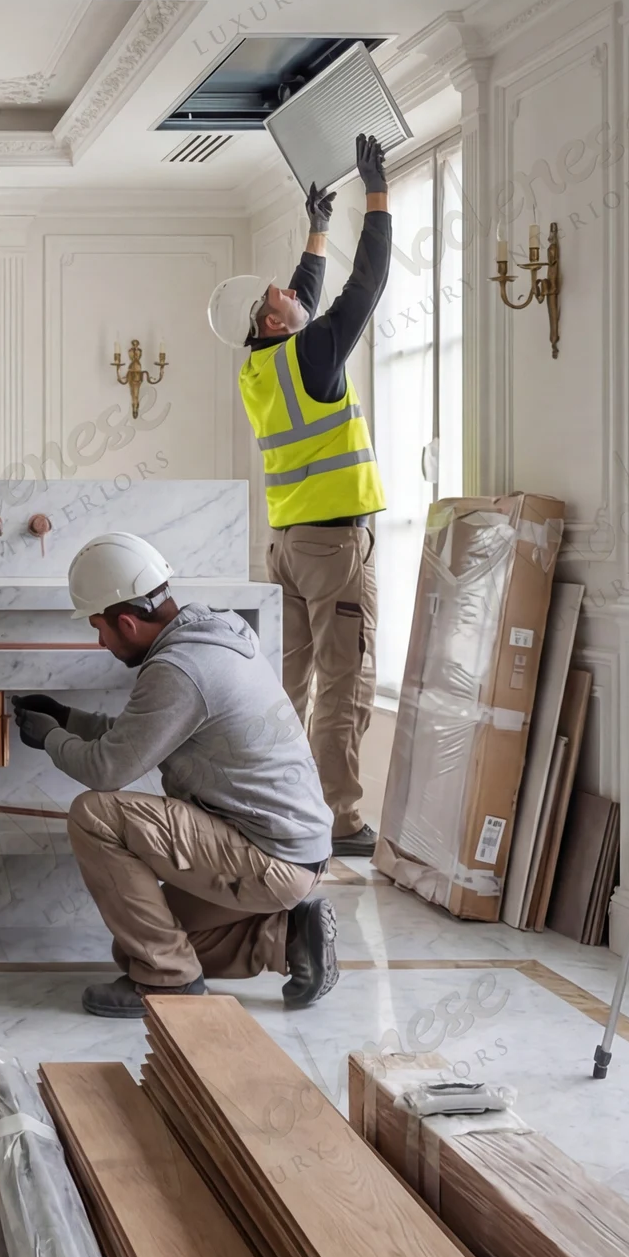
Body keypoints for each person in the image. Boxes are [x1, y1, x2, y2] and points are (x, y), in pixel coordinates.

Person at [15, 531, 339, 1019]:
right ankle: (287, 938)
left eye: (99, 628)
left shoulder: (179, 669)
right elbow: (142, 732)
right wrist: (67, 717)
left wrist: (50, 740)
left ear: (126, 621)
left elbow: (107, 769)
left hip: (269, 857)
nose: (99, 641)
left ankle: (168, 985)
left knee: (94, 814)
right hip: (295, 851)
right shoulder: (210, 635)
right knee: (139, 948)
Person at [238, 132, 394, 857]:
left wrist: (318, 226)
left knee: (288, 682)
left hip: (287, 548)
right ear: (278, 323)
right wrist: (378, 196)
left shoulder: (258, 370)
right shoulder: (314, 351)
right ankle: (342, 818)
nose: (294, 292)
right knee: (344, 680)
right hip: (334, 544)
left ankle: (272, 806)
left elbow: (309, 294)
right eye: (283, 298)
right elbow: (365, 286)